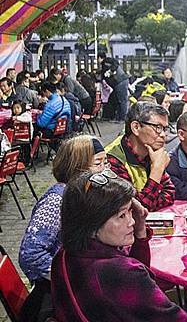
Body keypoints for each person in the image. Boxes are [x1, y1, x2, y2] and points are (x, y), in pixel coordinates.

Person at [52, 172, 187, 321]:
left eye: (131, 211)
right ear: (92, 224)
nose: (131, 221)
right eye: (121, 216)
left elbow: (138, 279)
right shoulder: (119, 272)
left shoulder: (64, 254)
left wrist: (140, 231)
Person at [18, 136, 106, 322]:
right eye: (98, 163)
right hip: (58, 297)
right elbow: (31, 255)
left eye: (105, 162)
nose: (104, 170)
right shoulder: (57, 200)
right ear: (77, 165)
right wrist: (72, 278)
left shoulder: (85, 193)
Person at [106, 101, 175, 211]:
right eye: (157, 127)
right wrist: (156, 171)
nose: (163, 135)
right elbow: (133, 211)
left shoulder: (150, 151)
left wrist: (150, 202)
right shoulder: (112, 160)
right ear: (136, 127)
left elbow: (170, 193)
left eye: (165, 129)